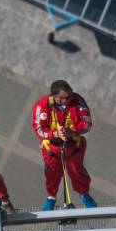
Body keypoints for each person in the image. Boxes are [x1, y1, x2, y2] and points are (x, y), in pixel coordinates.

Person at [32, 80, 97, 211]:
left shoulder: (77, 101)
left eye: (70, 95)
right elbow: (38, 128)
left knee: (77, 171)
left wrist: (73, 131)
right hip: (52, 148)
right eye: (66, 98)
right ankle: (51, 197)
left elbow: (87, 124)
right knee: (52, 173)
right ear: (56, 97)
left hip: (74, 146)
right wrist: (54, 133)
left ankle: (84, 195)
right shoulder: (42, 105)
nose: (70, 99)